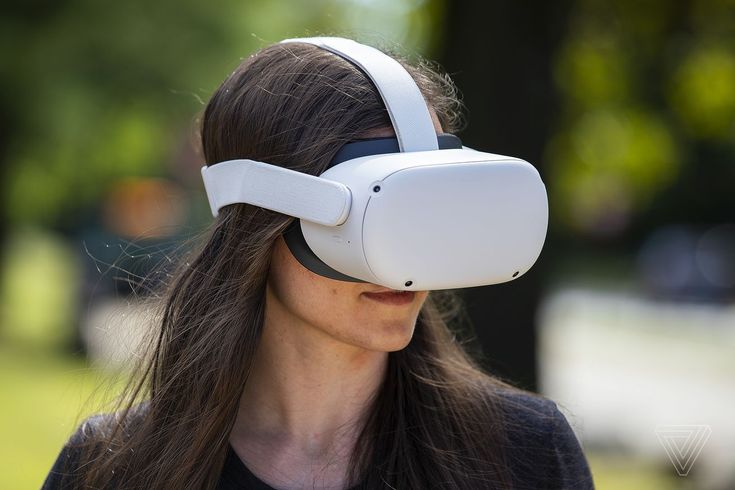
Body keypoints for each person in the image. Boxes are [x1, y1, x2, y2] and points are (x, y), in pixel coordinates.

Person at [42, 37, 595, 489]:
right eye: (373, 214)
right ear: (260, 221)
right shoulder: (113, 469)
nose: (398, 267)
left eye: (426, 215)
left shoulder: (526, 456)